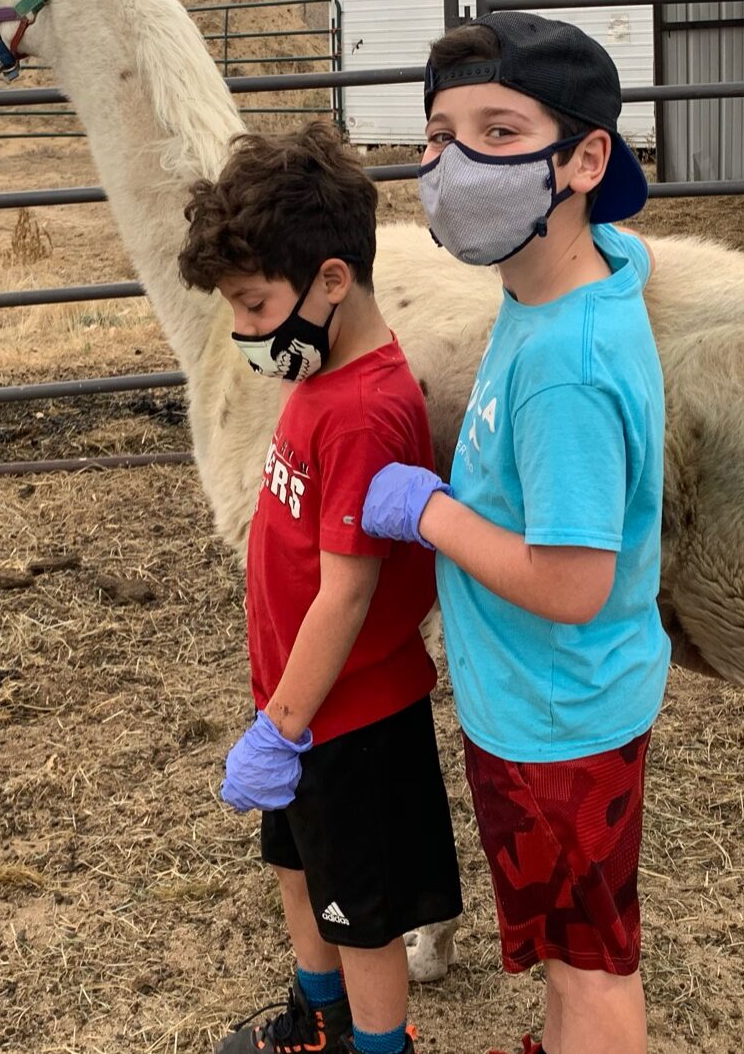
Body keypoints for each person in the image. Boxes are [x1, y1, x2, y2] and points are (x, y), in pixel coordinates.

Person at [361, 12, 667, 1054]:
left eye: (498, 134)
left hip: (556, 720)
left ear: (585, 160)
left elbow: (573, 582)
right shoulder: (569, 282)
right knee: (566, 939)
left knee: (590, 968)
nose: (453, 166)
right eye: (440, 135)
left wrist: (434, 511)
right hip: (552, 705)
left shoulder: (563, 366)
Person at [181, 123, 462, 1054]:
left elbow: (345, 594)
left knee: (364, 913)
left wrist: (284, 725)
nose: (246, 332)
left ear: (331, 280)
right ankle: (320, 1021)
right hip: (299, 704)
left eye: (256, 306)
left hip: (345, 719)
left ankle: (379, 1044)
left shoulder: (365, 408)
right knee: (298, 866)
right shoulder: (319, 368)